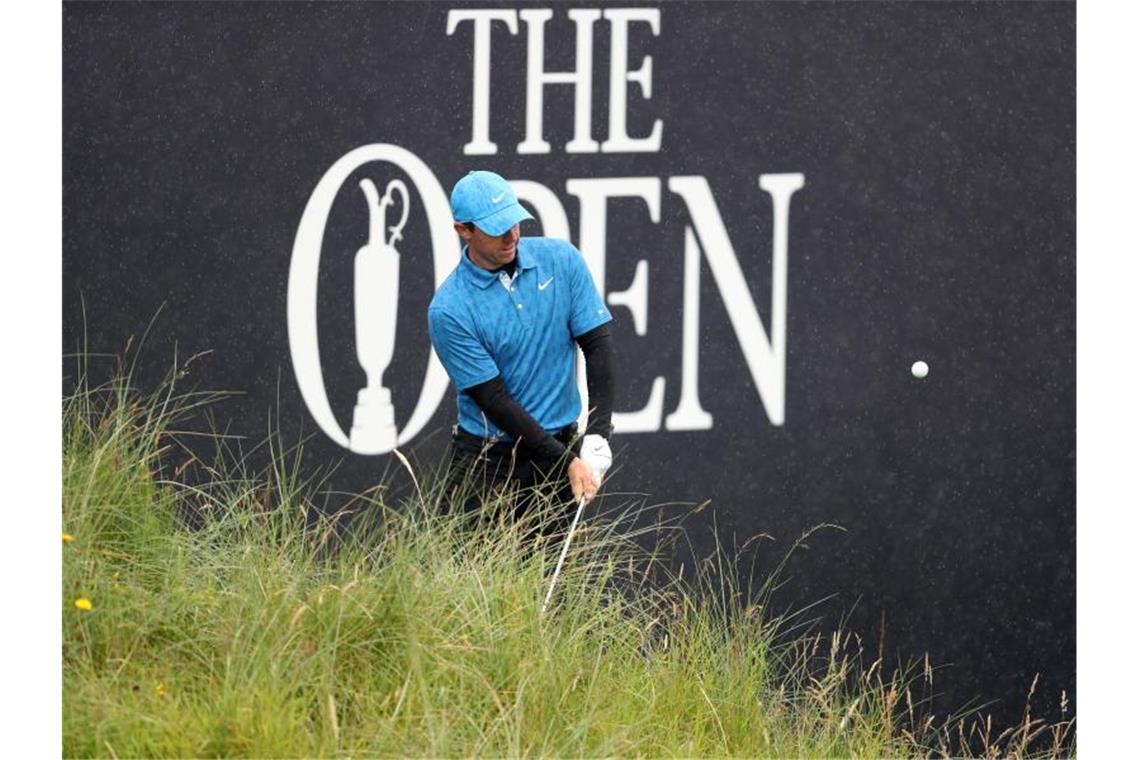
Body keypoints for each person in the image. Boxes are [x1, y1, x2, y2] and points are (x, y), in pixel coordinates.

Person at [428, 170, 615, 535]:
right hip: (487, 463)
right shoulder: (449, 309)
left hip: (558, 451)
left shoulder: (561, 260)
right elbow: (494, 399)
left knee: (552, 587)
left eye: (514, 222)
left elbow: (597, 344)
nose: (512, 235)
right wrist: (568, 463)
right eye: (497, 228)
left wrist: (597, 433)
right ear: (463, 230)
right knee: (473, 587)